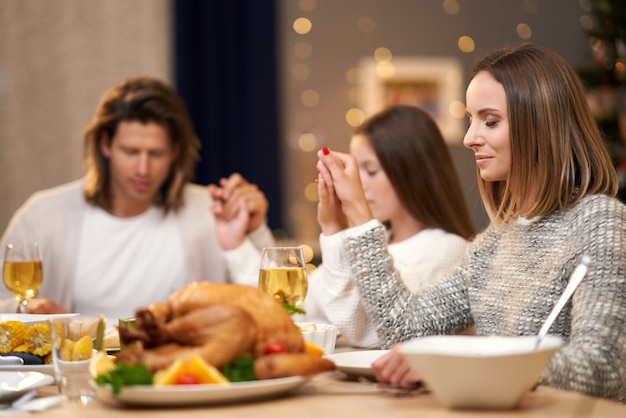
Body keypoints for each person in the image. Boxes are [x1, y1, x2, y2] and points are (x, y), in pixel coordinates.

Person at [316, 43, 626, 402]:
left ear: (539, 124)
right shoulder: (494, 244)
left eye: (490, 121)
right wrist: (358, 218)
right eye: (470, 120)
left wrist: (464, 362)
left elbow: (602, 367)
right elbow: (403, 329)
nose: (468, 138)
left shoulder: (601, 223)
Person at [0, 76, 274, 320]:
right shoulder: (43, 215)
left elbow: (275, 306)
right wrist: (21, 310)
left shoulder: (213, 212)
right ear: (105, 145)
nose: (143, 169)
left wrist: (255, 229)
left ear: (175, 152)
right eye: (131, 152)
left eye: (155, 154)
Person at [301, 105, 475, 348]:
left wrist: (341, 228)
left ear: (412, 172)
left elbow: (372, 335)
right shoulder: (376, 240)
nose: (359, 184)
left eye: (371, 171)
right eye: (356, 171)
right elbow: (299, 309)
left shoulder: (446, 249)